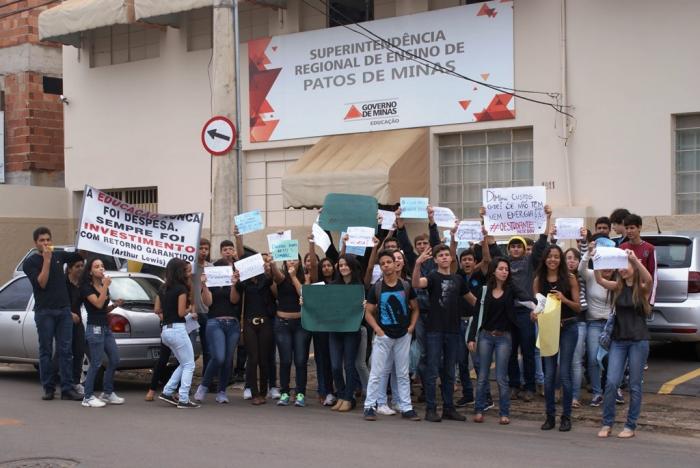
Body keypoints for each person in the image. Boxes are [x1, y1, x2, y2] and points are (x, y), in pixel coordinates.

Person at [483, 205, 551, 402]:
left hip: (526, 314)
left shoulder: (530, 262)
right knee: (510, 351)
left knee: (528, 351)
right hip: (508, 313)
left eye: (519, 246)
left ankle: (529, 387)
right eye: (512, 246)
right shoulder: (503, 264)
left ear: (523, 249)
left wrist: (547, 218)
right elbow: (491, 244)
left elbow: (542, 243)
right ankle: (514, 385)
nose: (515, 249)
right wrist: (485, 219)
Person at [594, 250, 652, 439]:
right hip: (619, 341)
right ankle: (607, 423)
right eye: (620, 265)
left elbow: (649, 279)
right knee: (611, 382)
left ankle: (630, 425)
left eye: (625, 265)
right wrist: (596, 261)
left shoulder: (641, 288)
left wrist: (635, 259)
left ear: (633, 267)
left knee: (635, 385)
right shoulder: (618, 286)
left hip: (638, 341)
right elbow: (600, 281)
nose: (622, 269)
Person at [467, 257, 532, 424]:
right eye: (501, 269)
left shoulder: (511, 290)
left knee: (502, 377)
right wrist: (471, 337)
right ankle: (479, 409)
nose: (505, 271)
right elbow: (476, 315)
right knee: (482, 375)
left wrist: (538, 306)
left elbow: (525, 296)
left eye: (506, 269)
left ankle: (504, 413)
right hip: (485, 336)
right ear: (494, 271)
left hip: (504, 337)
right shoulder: (484, 290)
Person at [22, 227, 84, 401]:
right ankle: (48, 388)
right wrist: (47, 261)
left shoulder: (59, 255)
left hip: (64, 310)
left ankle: (67, 388)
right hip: (45, 312)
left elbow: (80, 255)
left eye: (48, 240)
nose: (46, 243)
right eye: (42, 240)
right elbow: (41, 283)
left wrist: (87, 234)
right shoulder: (31, 262)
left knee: (66, 350)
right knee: (46, 350)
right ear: (36, 243)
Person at [412, 244, 469, 422]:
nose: (444, 257)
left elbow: (472, 300)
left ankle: (448, 408)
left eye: (447, 255)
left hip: (453, 330)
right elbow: (416, 283)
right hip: (435, 330)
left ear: (452, 258)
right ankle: (430, 409)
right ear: (435, 260)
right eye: (441, 255)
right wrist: (417, 264)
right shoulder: (432, 277)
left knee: (450, 371)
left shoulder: (459, 279)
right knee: (432, 370)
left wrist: (488, 306)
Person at [363, 250, 420, 421]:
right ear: (380, 267)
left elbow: (415, 308)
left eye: (389, 262)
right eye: (383, 263)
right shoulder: (377, 288)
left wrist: (411, 327)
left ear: (396, 264)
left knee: (402, 373)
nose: (386, 265)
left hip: (403, 335)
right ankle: (369, 406)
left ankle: (406, 407)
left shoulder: (406, 286)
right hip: (384, 336)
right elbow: (368, 312)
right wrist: (378, 330)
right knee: (377, 372)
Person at [533, 245, 581, 431]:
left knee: (565, 374)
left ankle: (566, 416)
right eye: (549, 256)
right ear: (544, 259)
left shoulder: (569, 278)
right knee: (549, 374)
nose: (553, 260)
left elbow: (578, 307)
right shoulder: (538, 280)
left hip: (568, 326)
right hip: (548, 328)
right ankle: (550, 416)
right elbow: (538, 307)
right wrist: (534, 314)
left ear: (560, 260)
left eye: (556, 257)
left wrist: (564, 299)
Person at [270, 235, 316, 407]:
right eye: (288, 260)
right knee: (285, 360)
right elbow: (275, 273)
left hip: (300, 325)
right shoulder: (281, 277)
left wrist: (295, 276)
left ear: (299, 262)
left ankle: (300, 393)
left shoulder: (305, 278)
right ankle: (284, 392)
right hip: (282, 324)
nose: (291, 262)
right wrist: (273, 261)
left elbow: (303, 294)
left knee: (300, 360)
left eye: (294, 260)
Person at [80, 257, 125, 408]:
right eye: (97, 266)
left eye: (102, 266)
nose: (101, 269)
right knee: (96, 363)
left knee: (115, 359)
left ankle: (107, 392)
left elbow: (103, 309)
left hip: (105, 328)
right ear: (90, 271)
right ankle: (87, 396)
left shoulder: (103, 286)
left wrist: (115, 305)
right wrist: (105, 285)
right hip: (94, 328)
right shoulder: (87, 287)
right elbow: (98, 304)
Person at [155, 258, 200, 409]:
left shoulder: (163, 288)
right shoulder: (181, 289)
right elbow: (182, 312)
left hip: (166, 330)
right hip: (178, 330)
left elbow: (158, 310)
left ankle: (167, 391)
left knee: (184, 363)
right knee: (189, 364)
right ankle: (183, 398)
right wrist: (190, 310)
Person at [579, 236, 614, 407]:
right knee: (593, 358)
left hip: (611, 325)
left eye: (610, 263)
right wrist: (588, 253)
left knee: (611, 358)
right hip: (593, 323)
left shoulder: (618, 279)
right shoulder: (592, 275)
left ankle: (614, 389)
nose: (607, 267)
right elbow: (580, 269)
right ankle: (597, 392)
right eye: (604, 262)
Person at [328, 255, 364, 412]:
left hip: (351, 330)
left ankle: (349, 398)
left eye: (345, 265)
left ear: (351, 266)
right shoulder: (333, 285)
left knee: (349, 365)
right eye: (340, 265)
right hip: (335, 330)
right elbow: (324, 304)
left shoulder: (359, 285)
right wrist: (305, 301)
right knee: (335, 366)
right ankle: (341, 395)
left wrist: (364, 303)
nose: (343, 268)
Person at [564, 247, 588, 408]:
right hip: (561, 323)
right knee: (561, 361)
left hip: (579, 321)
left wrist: (584, 243)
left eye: (575, 258)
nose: (571, 261)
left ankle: (574, 396)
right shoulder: (560, 277)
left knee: (576, 361)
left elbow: (585, 263)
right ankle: (562, 392)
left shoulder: (583, 276)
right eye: (568, 258)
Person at [619, 214, 657, 305]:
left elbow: (654, 275)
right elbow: (618, 274)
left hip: (642, 294)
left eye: (632, 228)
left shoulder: (650, 248)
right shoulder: (621, 247)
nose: (629, 231)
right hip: (625, 296)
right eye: (627, 228)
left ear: (639, 227)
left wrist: (650, 301)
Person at [64, 258, 86, 395]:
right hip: (64, 321)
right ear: (70, 268)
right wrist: (69, 313)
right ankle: (52, 381)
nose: (80, 268)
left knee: (79, 351)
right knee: (63, 353)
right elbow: (58, 302)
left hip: (78, 323)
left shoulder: (82, 285)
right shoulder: (63, 283)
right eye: (77, 266)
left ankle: (76, 382)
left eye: (82, 266)